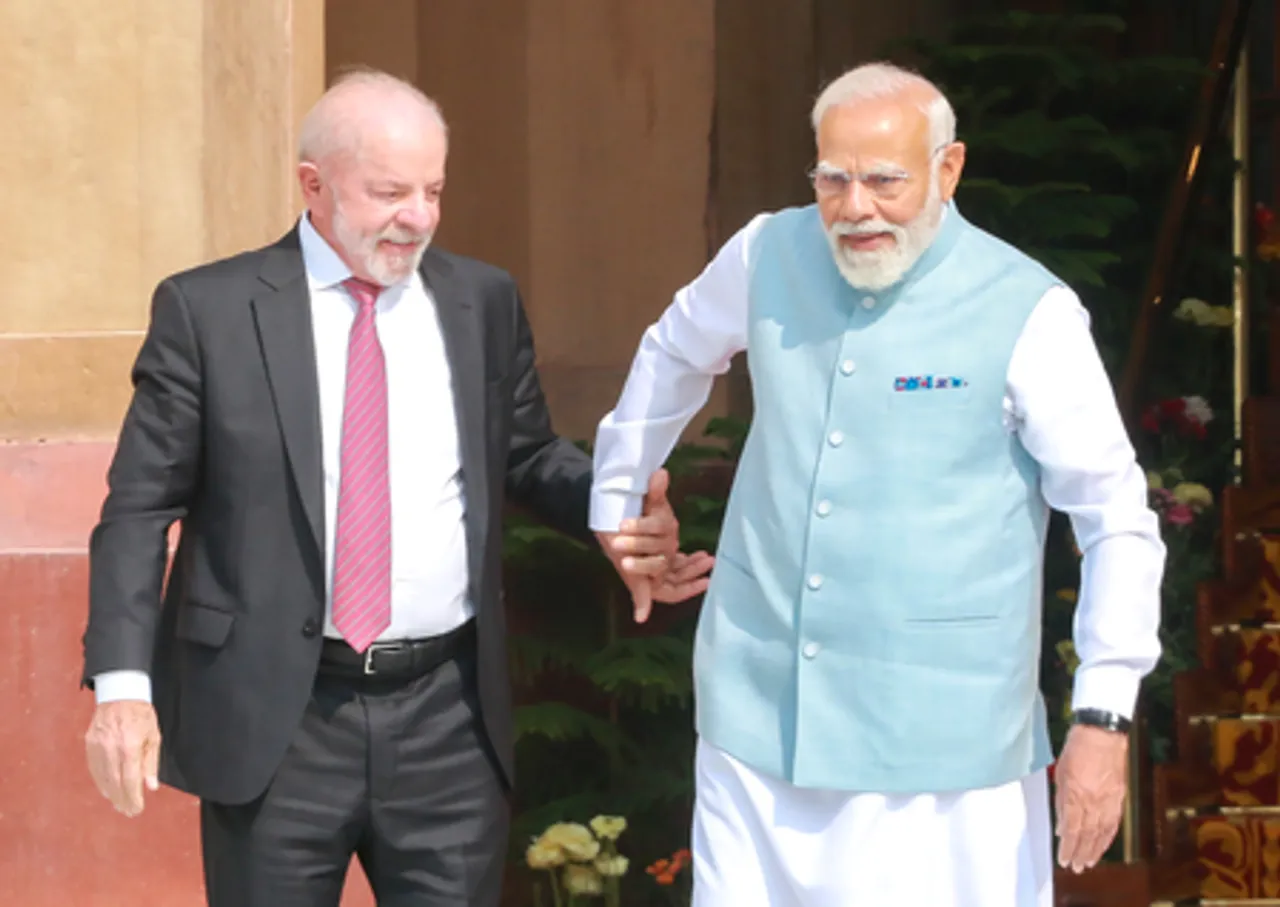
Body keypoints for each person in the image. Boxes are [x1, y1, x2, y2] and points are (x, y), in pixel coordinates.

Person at [81, 68, 713, 907]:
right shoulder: (211, 312)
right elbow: (137, 508)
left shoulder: (479, 301)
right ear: (314, 184)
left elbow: (525, 454)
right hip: (279, 721)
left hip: (447, 720)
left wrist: (617, 506)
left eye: (433, 190)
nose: (418, 216)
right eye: (389, 192)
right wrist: (124, 689)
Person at [588, 62, 1164, 907]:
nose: (855, 206)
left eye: (885, 180)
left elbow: (1116, 520)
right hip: (756, 732)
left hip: (947, 763)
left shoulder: (1030, 309)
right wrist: (618, 496)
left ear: (948, 169)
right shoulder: (765, 251)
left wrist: (1104, 715)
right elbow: (674, 350)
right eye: (833, 178)